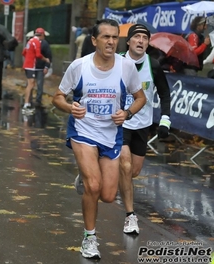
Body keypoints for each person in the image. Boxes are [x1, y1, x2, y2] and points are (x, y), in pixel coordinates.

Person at [51, 19, 146, 259]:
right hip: (83, 131)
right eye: (106, 37)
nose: (111, 42)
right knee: (93, 185)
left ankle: (84, 178)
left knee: (107, 195)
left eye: (115, 37)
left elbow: (140, 98)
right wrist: (70, 107)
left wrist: (126, 113)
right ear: (94, 40)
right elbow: (58, 97)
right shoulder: (79, 67)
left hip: (111, 136)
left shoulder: (126, 67)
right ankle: (89, 238)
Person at [118, 24, 171, 235]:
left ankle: (92, 175)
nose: (140, 41)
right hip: (118, 121)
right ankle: (131, 216)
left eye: (145, 38)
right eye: (137, 37)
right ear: (129, 41)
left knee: (133, 171)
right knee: (125, 163)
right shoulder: (116, 61)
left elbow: (165, 94)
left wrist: (165, 119)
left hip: (142, 123)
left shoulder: (154, 65)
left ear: (148, 43)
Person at [22, 28, 50, 112]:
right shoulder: (37, 42)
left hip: (28, 65)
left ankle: (27, 103)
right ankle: (26, 104)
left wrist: (28, 58)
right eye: (43, 36)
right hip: (31, 66)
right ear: (41, 35)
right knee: (30, 84)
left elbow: (23, 52)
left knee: (31, 84)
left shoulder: (30, 41)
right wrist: (46, 60)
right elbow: (38, 55)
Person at [31, 28, 52, 107]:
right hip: (32, 67)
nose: (38, 36)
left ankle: (38, 100)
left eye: (40, 35)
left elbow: (49, 56)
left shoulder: (45, 44)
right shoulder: (32, 42)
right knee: (30, 84)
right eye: (37, 35)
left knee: (39, 84)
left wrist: (46, 67)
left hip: (40, 67)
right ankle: (29, 99)